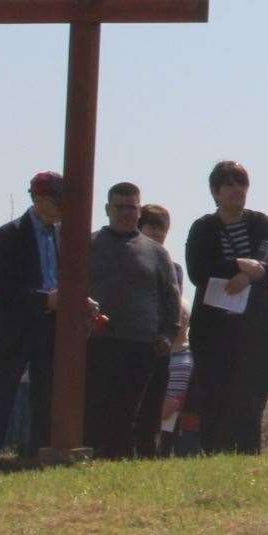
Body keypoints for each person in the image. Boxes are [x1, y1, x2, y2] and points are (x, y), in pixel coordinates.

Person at [183, 160, 268, 455]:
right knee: (216, 396)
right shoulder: (203, 227)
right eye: (228, 184)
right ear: (216, 192)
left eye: (240, 183)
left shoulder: (261, 223)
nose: (236, 190)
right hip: (216, 330)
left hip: (257, 329)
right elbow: (197, 270)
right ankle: (214, 455)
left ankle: (248, 457)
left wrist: (251, 274)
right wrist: (235, 265)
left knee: (249, 400)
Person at [0, 171, 66, 468]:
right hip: (14, 330)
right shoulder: (8, 235)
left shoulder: (67, 237)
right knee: (0, 394)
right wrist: (44, 299)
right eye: (57, 201)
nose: (62, 208)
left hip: (51, 327)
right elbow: (3, 288)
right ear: (39, 200)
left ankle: (38, 456)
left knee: (45, 395)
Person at [86, 181, 180, 461]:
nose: (126, 213)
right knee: (99, 410)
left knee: (135, 412)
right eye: (120, 207)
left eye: (132, 207)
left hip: (142, 345)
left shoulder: (156, 252)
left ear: (139, 211)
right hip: (98, 342)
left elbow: (171, 299)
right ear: (107, 209)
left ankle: (130, 460)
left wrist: (167, 333)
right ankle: (101, 458)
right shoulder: (89, 244)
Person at [131, 203, 181, 458]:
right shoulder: (128, 259)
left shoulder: (173, 268)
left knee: (153, 406)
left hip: (159, 344)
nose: (158, 234)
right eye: (152, 227)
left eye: (163, 229)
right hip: (131, 340)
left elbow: (173, 306)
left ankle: (149, 454)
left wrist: (166, 335)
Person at [157, 304, 198, 458]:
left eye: (184, 316)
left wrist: (178, 403)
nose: (179, 321)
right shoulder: (157, 350)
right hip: (158, 419)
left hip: (185, 422)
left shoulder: (195, 351)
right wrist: (161, 407)